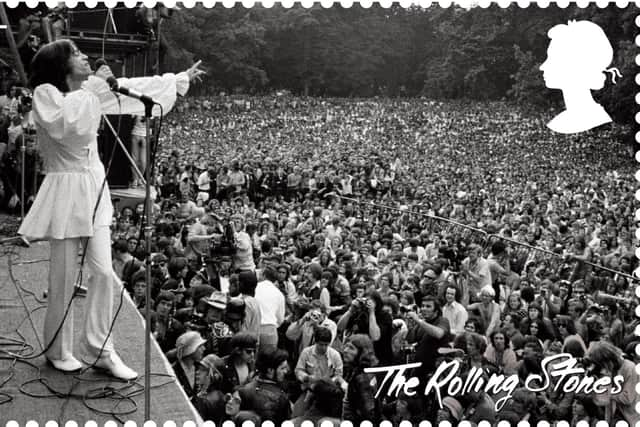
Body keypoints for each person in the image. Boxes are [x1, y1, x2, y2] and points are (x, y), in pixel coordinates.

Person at [17, 39, 205, 378]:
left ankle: (101, 349)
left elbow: (131, 89)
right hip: (66, 189)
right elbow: (68, 128)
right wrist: (95, 89)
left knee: (103, 272)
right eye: (76, 54)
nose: (85, 56)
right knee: (62, 276)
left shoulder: (89, 89)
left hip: (93, 189)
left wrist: (177, 79)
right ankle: (58, 349)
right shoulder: (46, 93)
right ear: (60, 65)